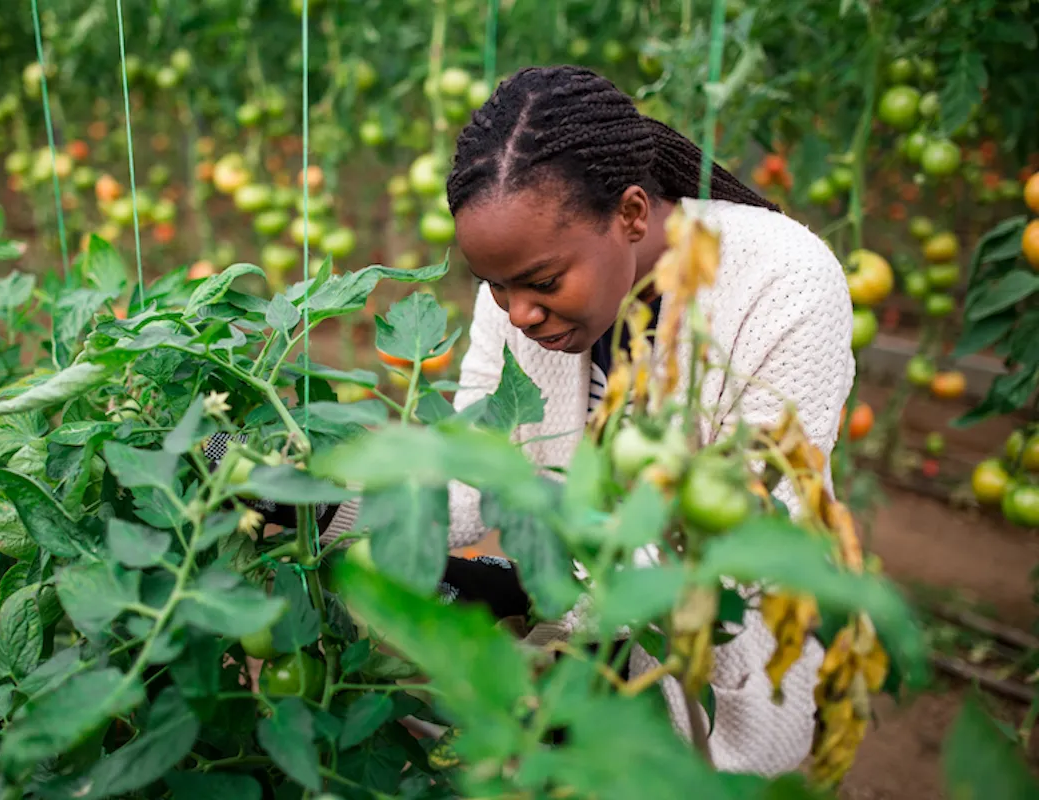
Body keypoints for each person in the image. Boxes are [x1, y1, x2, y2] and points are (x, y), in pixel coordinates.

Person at [215, 64, 854, 777]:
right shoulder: (520, 297)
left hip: (713, 652)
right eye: (495, 287)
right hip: (571, 660)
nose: (518, 312)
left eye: (544, 284)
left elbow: (748, 526)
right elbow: (473, 478)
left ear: (633, 214)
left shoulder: (784, 280)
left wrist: (540, 576)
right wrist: (321, 501)